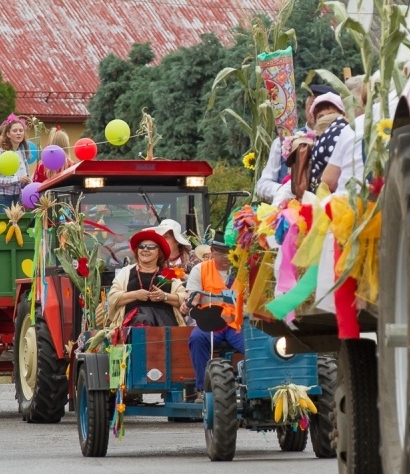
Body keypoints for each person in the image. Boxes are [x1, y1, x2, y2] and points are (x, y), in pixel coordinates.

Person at [182, 237, 244, 402]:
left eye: (230, 252)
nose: (226, 257)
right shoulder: (199, 269)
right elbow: (192, 297)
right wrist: (188, 305)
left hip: (236, 323)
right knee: (196, 338)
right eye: (222, 253)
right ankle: (203, 389)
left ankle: (252, 385)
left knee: (254, 344)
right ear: (212, 252)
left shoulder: (243, 270)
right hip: (210, 322)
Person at [256, 84, 339, 203]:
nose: (320, 114)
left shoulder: (344, 139)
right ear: (307, 108)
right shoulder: (284, 140)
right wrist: (288, 190)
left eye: (328, 111)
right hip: (288, 211)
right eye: (314, 104)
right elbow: (262, 185)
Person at [106, 229, 187, 330]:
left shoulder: (169, 275)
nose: (145, 249)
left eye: (151, 247)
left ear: (159, 252)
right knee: (142, 319)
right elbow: (112, 298)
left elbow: (185, 299)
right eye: (142, 246)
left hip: (164, 323)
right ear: (137, 251)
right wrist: (135, 295)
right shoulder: (125, 272)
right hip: (132, 322)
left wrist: (164, 296)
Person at [0, 114, 30, 212]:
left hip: (18, 198)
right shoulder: (0, 153)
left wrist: (26, 181)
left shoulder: (22, 153)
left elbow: (24, 177)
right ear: (8, 134)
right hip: (1, 198)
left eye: (21, 130)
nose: (18, 133)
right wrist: (16, 179)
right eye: (15, 131)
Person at [309, 92, 349, 192]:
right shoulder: (308, 144)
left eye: (331, 114)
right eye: (321, 116)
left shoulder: (342, 134)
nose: (327, 119)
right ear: (314, 121)